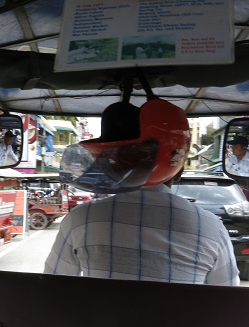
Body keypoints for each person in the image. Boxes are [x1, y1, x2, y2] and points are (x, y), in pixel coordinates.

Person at [45, 99, 239, 286]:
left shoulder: (79, 219)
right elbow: (226, 302)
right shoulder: (212, 229)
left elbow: (53, 288)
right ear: (178, 169)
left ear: (111, 165)